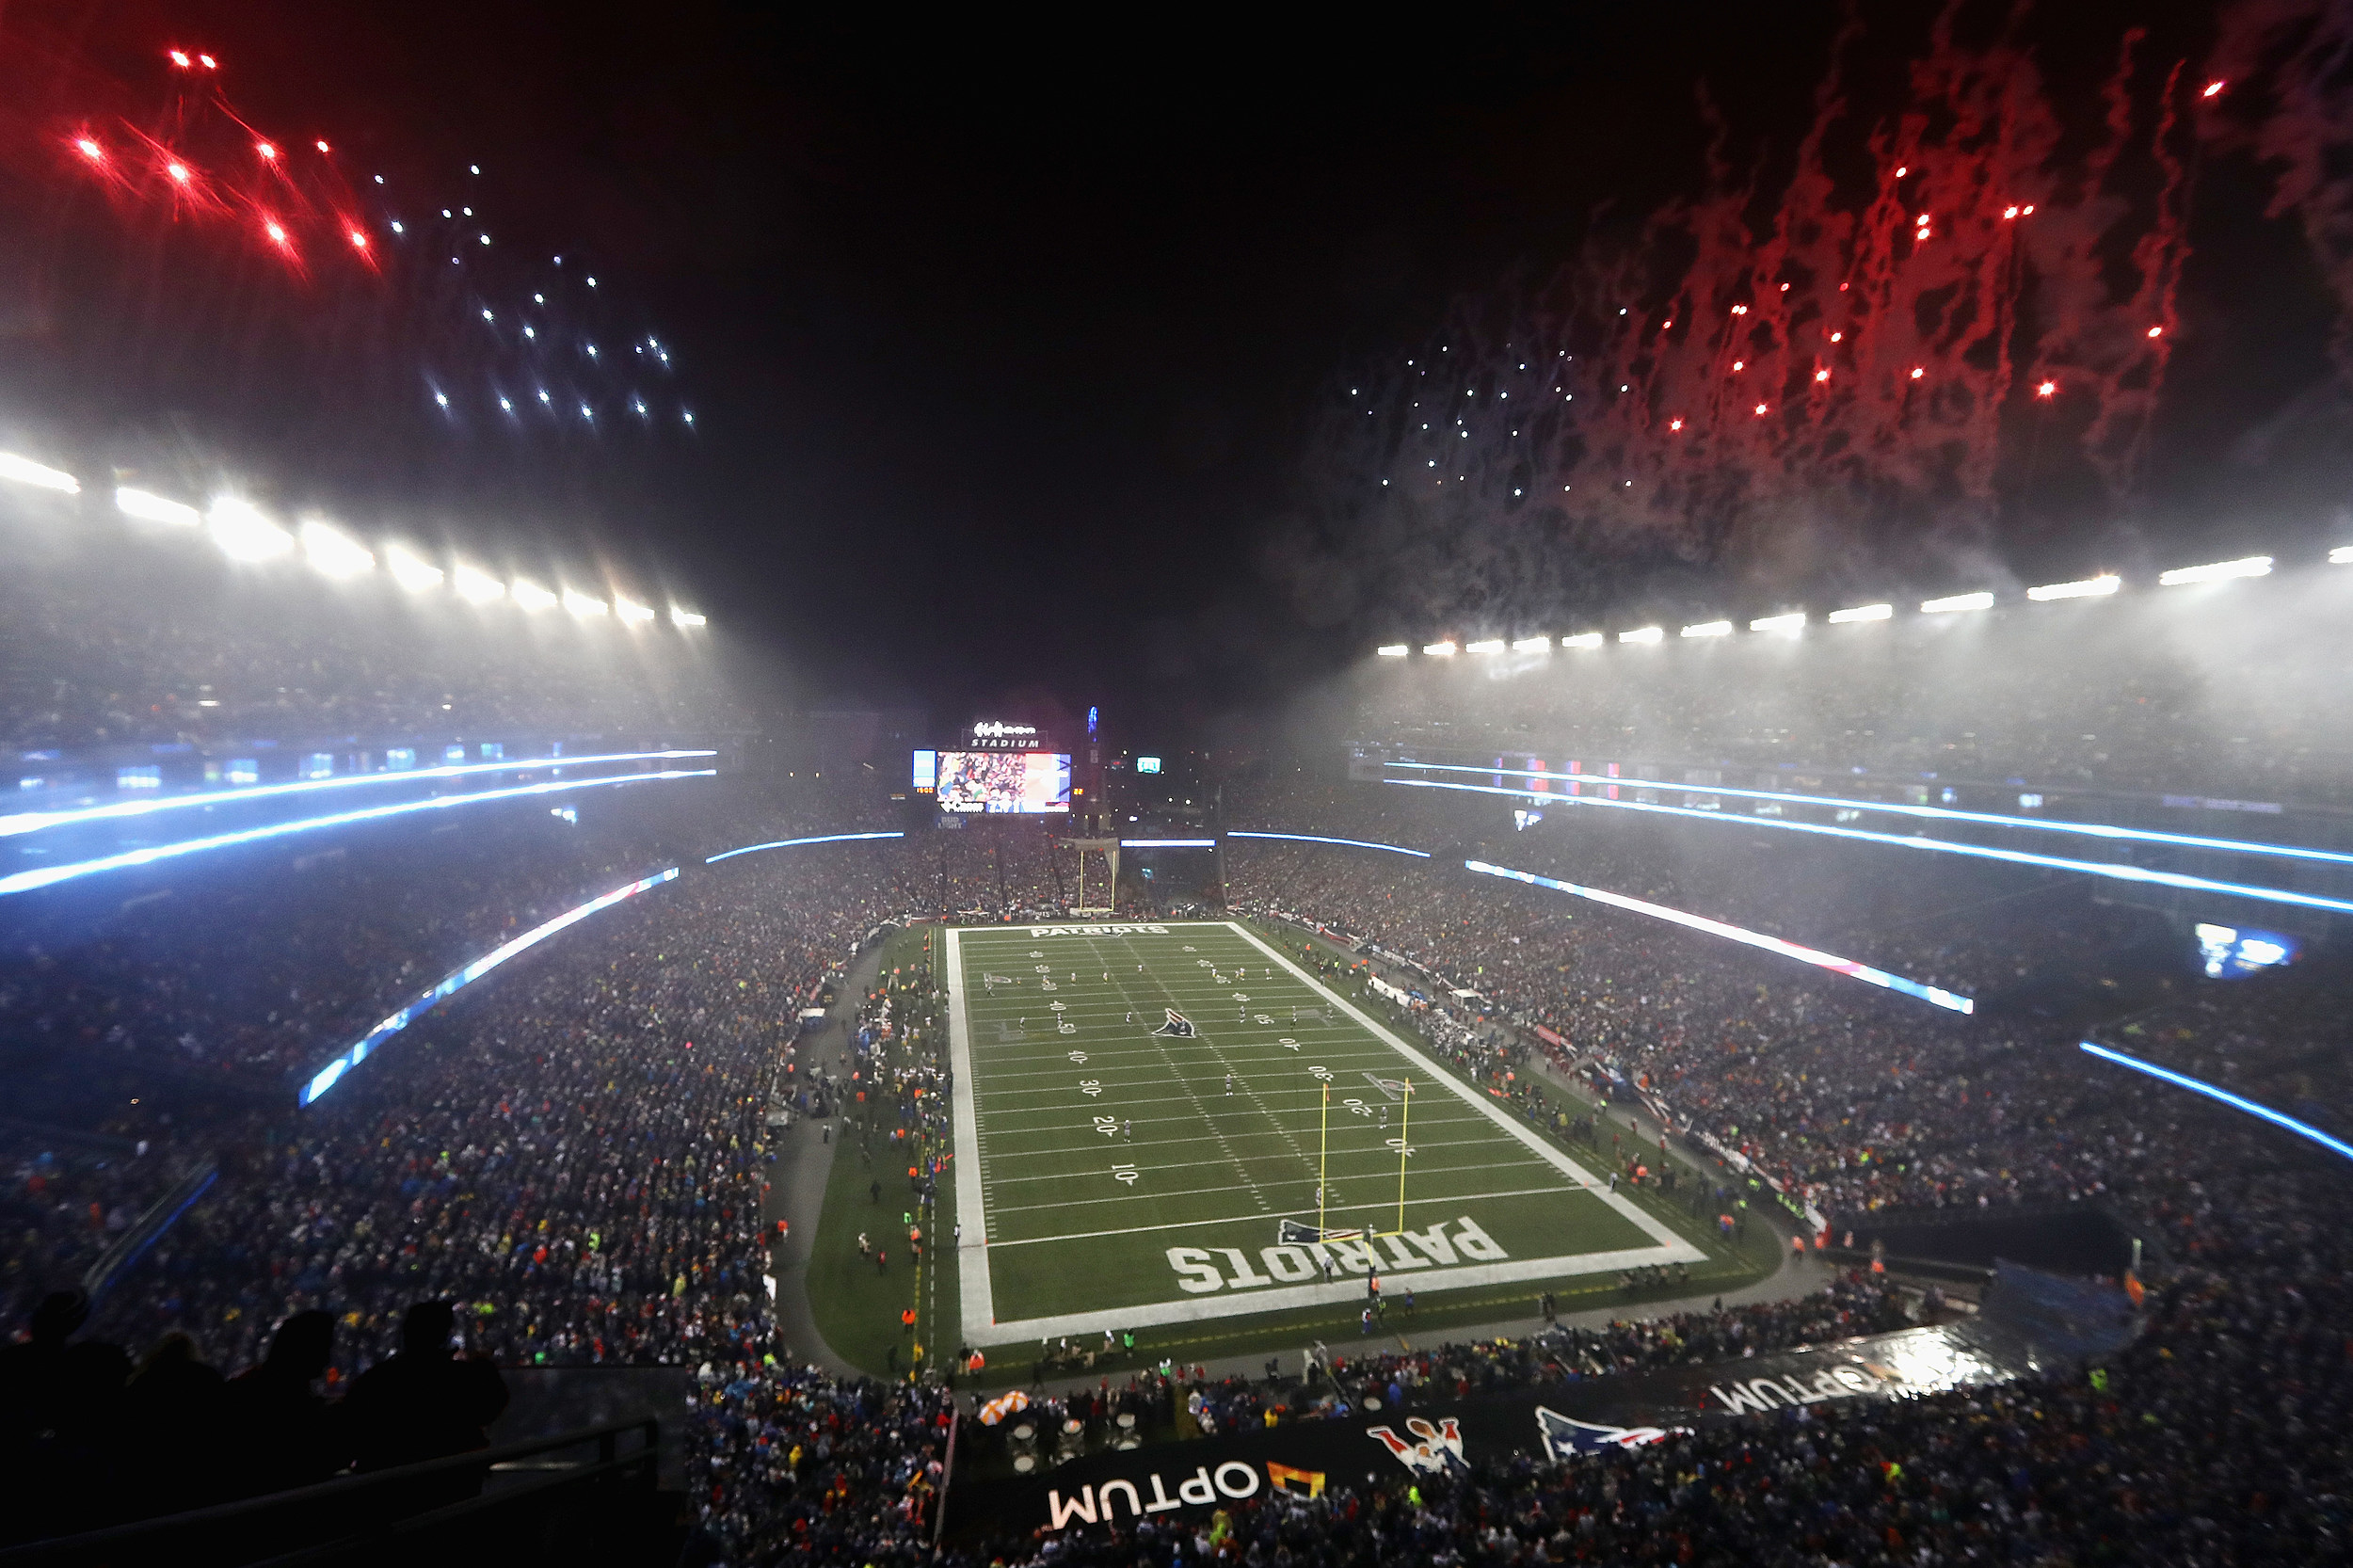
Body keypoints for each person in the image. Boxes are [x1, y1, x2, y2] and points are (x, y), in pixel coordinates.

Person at [341, 1302, 509, 1503]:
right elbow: (492, 1404)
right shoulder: (460, 1378)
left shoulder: (379, 1377)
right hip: (452, 1486)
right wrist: (482, 1365)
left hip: (389, 1492)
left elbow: (350, 1424)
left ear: (407, 1331)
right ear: (444, 1333)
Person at [223, 1310, 346, 1499]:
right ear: (305, 1351)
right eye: (324, 1349)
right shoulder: (291, 1406)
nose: (327, 1360)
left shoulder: (247, 1385)